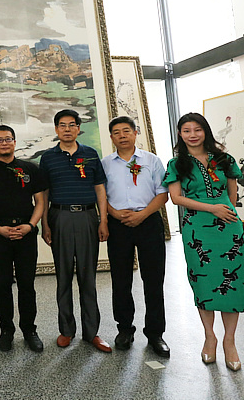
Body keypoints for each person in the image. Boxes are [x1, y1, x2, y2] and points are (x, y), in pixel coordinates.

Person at [163, 112, 244, 371]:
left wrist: (224, 211)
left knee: (232, 283)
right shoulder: (176, 164)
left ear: (206, 131)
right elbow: (176, 198)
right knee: (204, 282)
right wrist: (212, 209)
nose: (192, 135)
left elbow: (231, 196)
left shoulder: (225, 159)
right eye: (186, 130)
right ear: (180, 134)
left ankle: (230, 341)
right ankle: (209, 336)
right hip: (197, 228)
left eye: (197, 129)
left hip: (228, 228)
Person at [39, 109, 111, 353]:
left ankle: (92, 332)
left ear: (79, 128)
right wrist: (45, 224)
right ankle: (66, 330)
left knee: (88, 276)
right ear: (56, 129)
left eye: (72, 124)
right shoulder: (48, 158)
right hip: (59, 216)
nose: (67, 129)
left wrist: (103, 220)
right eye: (62, 125)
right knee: (63, 276)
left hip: (88, 217)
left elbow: (100, 188)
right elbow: (44, 193)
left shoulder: (91, 154)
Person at [102, 116, 170, 357]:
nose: (122, 135)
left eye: (126, 131)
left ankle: (155, 334)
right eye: (117, 132)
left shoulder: (152, 160)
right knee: (120, 280)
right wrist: (113, 213)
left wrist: (142, 216)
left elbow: (163, 194)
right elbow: (101, 195)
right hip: (118, 224)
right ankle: (124, 329)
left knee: (153, 280)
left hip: (148, 221)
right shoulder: (105, 163)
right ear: (111, 137)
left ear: (135, 133)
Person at [0, 125, 47, 353]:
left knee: (27, 285)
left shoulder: (30, 169)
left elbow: (40, 202)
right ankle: (6, 330)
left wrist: (30, 226)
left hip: (26, 232)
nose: (4, 143)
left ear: (15, 142)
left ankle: (29, 330)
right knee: (3, 285)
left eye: (8, 139)